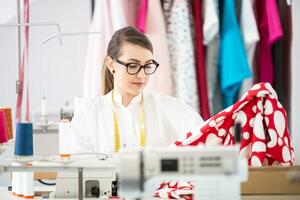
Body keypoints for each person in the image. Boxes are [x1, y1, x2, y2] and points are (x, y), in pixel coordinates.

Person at [71, 26, 203, 155]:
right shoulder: (87, 115)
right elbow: (79, 168)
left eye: (147, 66)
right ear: (111, 65)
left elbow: (205, 138)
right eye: (133, 66)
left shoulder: (170, 108)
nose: (142, 75)